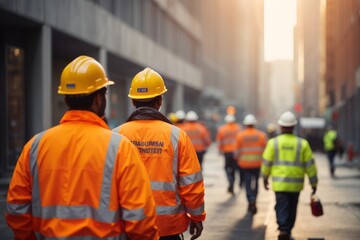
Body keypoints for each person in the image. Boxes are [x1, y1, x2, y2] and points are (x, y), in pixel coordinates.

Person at [5, 56, 159, 239]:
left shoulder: (34, 146)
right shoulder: (119, 148)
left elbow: (16, 209)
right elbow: (140, 218)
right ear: (98, 99)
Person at [113, 67, 205, 240]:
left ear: (133, 101)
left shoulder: (115, 136)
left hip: (128, 225)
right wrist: (197, 216)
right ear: (160, 101)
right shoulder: (177, 136)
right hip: (167, 227)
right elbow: (190, 183)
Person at [261, 111, 318, 240]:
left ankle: (283, 229)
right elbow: (310, 166)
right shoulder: (302, 143)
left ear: (281, 126)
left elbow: (266, 162)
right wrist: (314, 184)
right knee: (292, 208)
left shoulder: (273, 143)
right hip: (296, 185)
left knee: (281, 206)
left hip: (280, 183)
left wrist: (265, 178)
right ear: (293, 126)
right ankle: (287, 230)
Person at [234, 114, 267, 214]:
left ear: (245, 124)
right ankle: (254, 199)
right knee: (256, 182)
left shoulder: (240, 135)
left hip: (245, 164)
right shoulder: (261, 135)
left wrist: (236, 159)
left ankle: (251, 199)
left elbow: (237, 151)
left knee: (247, 183)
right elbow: (265, 151)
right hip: (257, 164)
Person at [216, 114, 243, 194]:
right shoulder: (238, 128)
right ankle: (236, 182)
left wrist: (220, 150)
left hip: (227, 152)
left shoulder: (222, 129)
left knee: (227, 168)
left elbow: (219, 141)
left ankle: (230, 181)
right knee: (235, 168)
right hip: (236, 152)